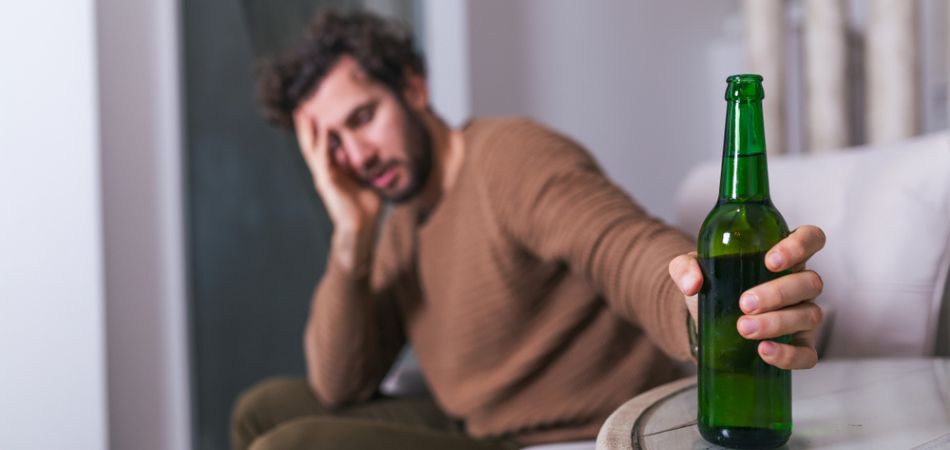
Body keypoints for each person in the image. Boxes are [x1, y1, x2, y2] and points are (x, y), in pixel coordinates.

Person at [231, 10, 826, 450]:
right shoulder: (399, 223)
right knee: (262, 410)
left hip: (567, 432)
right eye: (331, 143)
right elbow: (340, 382)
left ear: (412, 87)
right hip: (475, 422)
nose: (355, 155)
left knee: (287, 446)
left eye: (362, 118)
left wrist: (703, 305)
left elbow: (623, 248)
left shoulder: (510, 158)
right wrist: (350, 237)